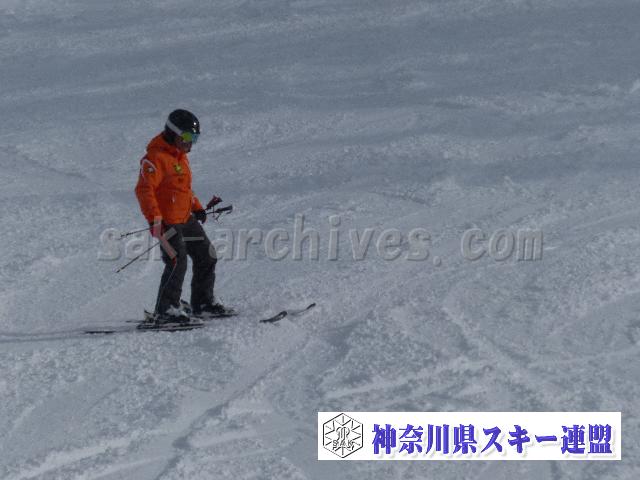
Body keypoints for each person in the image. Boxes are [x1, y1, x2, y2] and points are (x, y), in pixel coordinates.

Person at [135, 109, 233, 323]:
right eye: (188, 137)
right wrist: (155, 220)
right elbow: (144, 191)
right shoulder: (155, 158)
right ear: (173, 133)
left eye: (195, 138)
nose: (191, 143)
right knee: (176, 261)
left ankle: (203, 303)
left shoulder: (180, 158)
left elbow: (183, 190)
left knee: (207, 256)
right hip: (167, 222)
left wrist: (196, 207)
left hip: (185, 219)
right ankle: (166, 310)